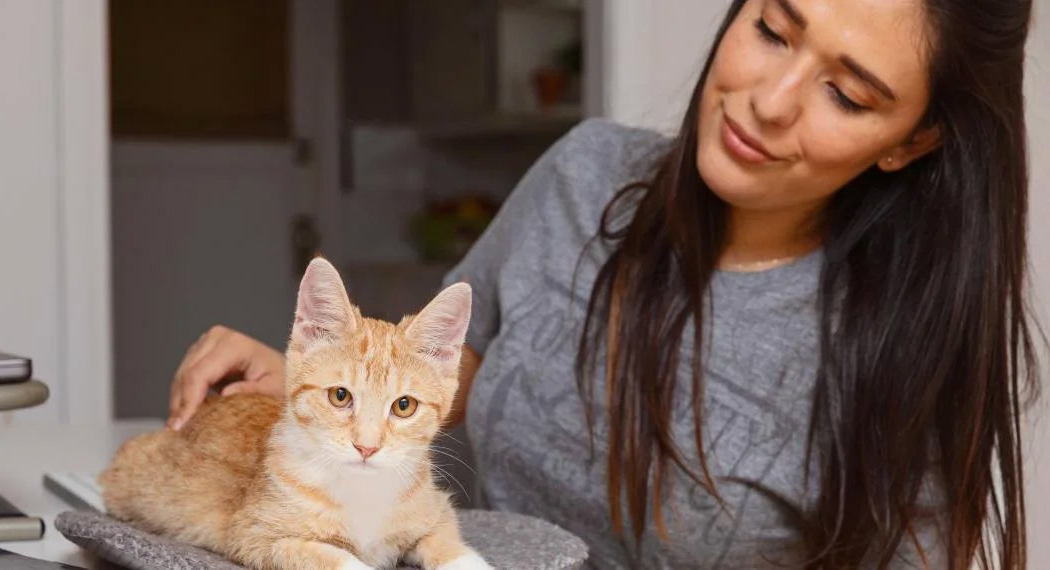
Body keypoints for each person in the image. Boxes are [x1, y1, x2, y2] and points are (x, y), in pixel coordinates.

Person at [166, 0, 1039, 567]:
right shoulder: (582, 177)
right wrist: (314, 388)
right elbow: (447, 378)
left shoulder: (898, 348)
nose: (769, 101)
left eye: (845, 94)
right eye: (772, 29)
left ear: (910, 141)